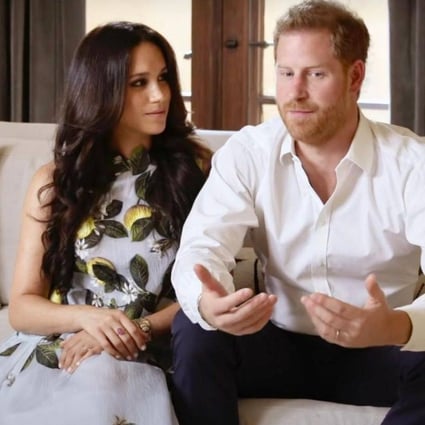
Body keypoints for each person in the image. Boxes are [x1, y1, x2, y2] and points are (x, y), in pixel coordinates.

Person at [170, 1, 425, 424]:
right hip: (277, 344)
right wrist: (209, 301)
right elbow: (202, 246)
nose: (295, 92)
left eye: (316, 74)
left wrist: (396, 326)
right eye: (286, 73)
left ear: (355, 76)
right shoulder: (249, 152)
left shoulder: (412, 163)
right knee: (195, 326)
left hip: (382, 348)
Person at [0, 21, 210, 425]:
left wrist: (129, 330)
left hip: (143, 349)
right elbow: (22, 306)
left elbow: (206, 294)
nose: (159, 95)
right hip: (63, 346)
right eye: (139, 83)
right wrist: (89, 319)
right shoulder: (54, 182)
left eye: (164, 78)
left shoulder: (195, 170)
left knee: (103, 382)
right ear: (101, 90)